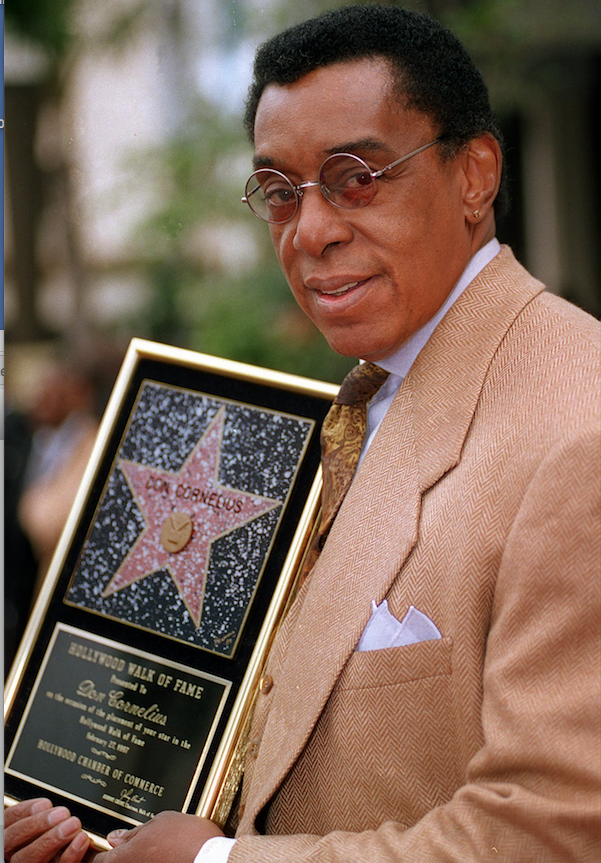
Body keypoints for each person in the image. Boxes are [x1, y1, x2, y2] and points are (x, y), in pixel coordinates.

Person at [5, 6, 599, 863]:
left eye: (357, 176)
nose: (310, 230)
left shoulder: (574, 428)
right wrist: (96, 828)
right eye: (280, 192)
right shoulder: (343, 412)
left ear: (474, 175)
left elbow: (551, 831)